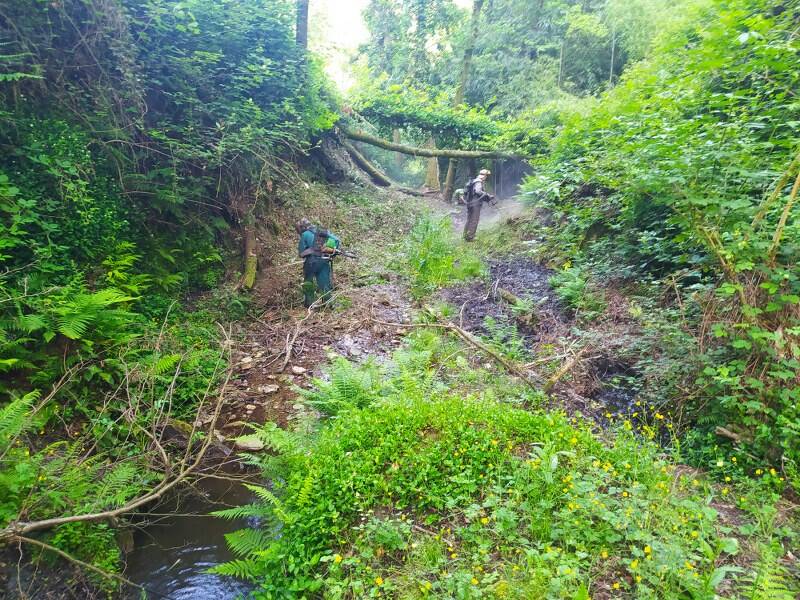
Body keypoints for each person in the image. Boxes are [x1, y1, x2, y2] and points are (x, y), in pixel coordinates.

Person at [296, 218, 341, 307]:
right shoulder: (322, 232)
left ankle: (309, 303)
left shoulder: (305, 234)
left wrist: (308, 252)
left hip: (311, 263)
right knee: (324, 282)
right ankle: (328, 303)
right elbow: (337, 240)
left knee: (308, 281)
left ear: (301, 228)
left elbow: (301, 253)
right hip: (324, 260)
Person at [463, 168, 495, 241]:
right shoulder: (479, 182)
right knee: (474, 219)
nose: (487, 177)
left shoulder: (474, 181)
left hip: (469, 203)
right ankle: (470, 237)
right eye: (487, 176)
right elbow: (478, 191)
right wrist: (487, 195)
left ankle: (465, 235)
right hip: (475, 204)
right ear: (484, 176)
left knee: (469, 219)